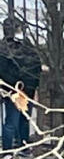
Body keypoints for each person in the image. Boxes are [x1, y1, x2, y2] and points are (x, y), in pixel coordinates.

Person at [0, 19, 42, 151]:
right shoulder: (3, 48)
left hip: (27, 89)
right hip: (14, 90)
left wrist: (34, 87)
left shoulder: (26, 45)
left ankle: (23, 147)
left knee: (24, 120)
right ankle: (8, 152)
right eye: (18, 29)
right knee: (12, 122)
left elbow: (36, 65)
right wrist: (13, 86)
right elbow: (4, 70)